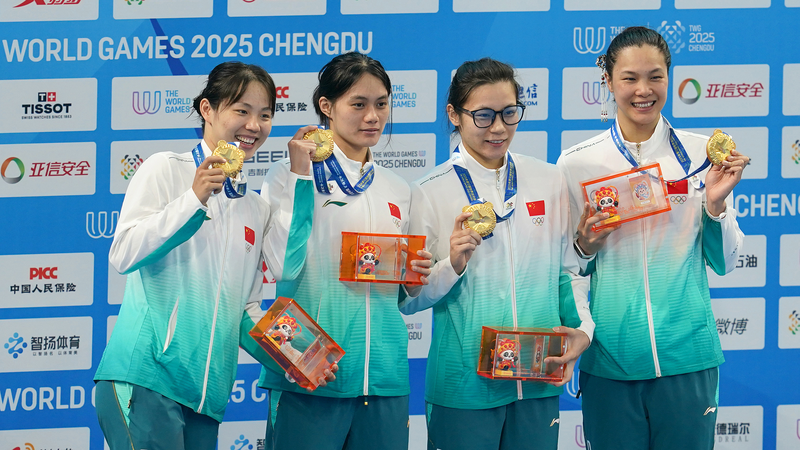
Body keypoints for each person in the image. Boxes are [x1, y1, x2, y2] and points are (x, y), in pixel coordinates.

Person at [94, 61, 317, 450]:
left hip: (206, 397)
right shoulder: (167, 168)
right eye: (241, 110)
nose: (254, 125)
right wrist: (193, 198)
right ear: (207, 110)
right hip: (147, 377)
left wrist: (299, 355)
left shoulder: (254, 207)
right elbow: (124, 253)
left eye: (265, 115)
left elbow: (246, 308)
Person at [557, 26, 749, 450]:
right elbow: (567, 269)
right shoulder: (576, 164)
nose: (643, 90)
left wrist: (715, 207)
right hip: (610, 360)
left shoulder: (703, 157)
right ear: (607, 81)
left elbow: (727, 261)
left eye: (655, 76)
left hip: (688, 357)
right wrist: (583, 247)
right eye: (629, 78)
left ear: (669, 77)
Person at [399, 57, 594, 450]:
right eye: (484, 115)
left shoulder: (547, 179)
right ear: (454, 115)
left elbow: (567, 270)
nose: (500, 128)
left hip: (538, 378)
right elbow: (408, 299)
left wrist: (583, 331)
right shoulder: (428, 190)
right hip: (462, 385)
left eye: (509, 113)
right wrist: (451, 265)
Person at [258, 52, 432, 450]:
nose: (373, 116)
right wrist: (301, 177)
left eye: (381, 104)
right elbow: (282, 264)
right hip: (312, 370)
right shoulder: (288, 173)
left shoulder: (398, 189)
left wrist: (415, 272)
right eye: (359, 104)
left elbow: (407, 298)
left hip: (385, 377)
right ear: (326, 107)